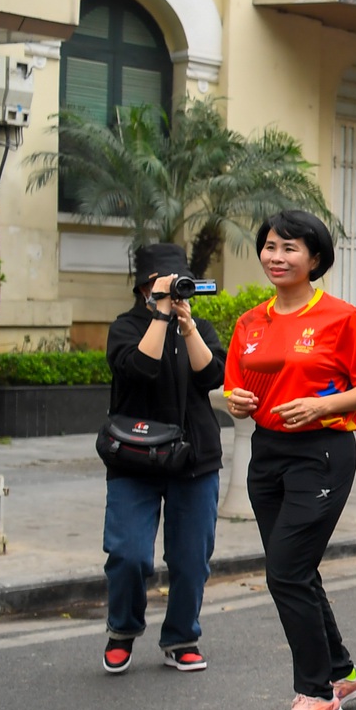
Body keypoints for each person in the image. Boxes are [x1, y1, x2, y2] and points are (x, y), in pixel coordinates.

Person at [223, 211, 356, 710]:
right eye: (270, 247)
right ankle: (341, 673)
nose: (277, 257)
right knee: (293, 567)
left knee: (286, 573)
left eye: (290, 248)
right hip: (266, 452)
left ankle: (315, 695)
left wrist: (324, 407)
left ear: (314, 259)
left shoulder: (341, 318)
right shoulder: (250, 322)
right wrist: (235, 400)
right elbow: (231, 388)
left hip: (322, 451)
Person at [100, 244, 226, 675]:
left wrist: (188, 329)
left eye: (180, 286)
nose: (176, 295)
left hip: (194, 457)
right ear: (144, 288)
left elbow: (212, 377)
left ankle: (181, 636)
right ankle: (122, 629)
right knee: (128, 555)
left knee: (191, 558)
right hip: (133, 457)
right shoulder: (124, 327)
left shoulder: (199, 326)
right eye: (166, 286)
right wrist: (159, 316)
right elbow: (138, 370)